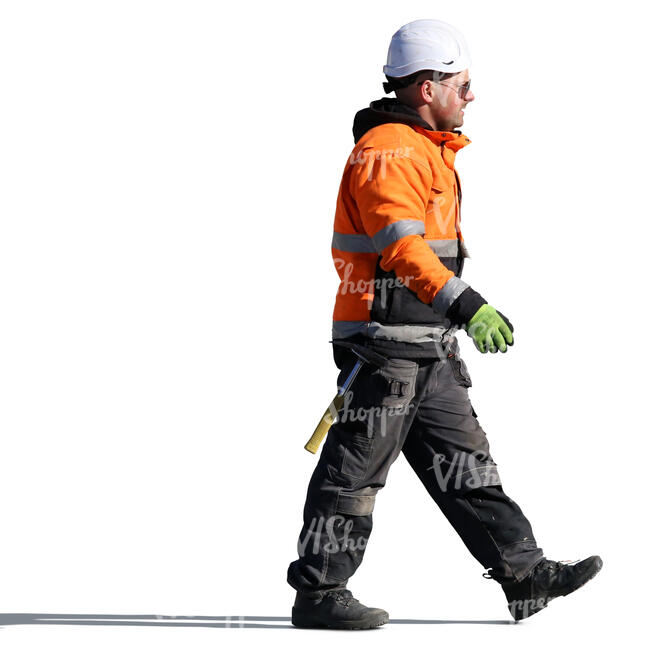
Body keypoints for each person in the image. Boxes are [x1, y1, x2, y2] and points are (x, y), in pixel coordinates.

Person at [286, 18, 602, 629]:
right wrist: (468, 303)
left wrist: (450, 318)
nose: (471, 94)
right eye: (462, 82)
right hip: (382, 349)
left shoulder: (422, 150)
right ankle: (319, 593)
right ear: (427, 87)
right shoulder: (389, 153)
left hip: (423, 344)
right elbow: (402, 249)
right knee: (353, 472)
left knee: (469, 468)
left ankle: (525, 575)